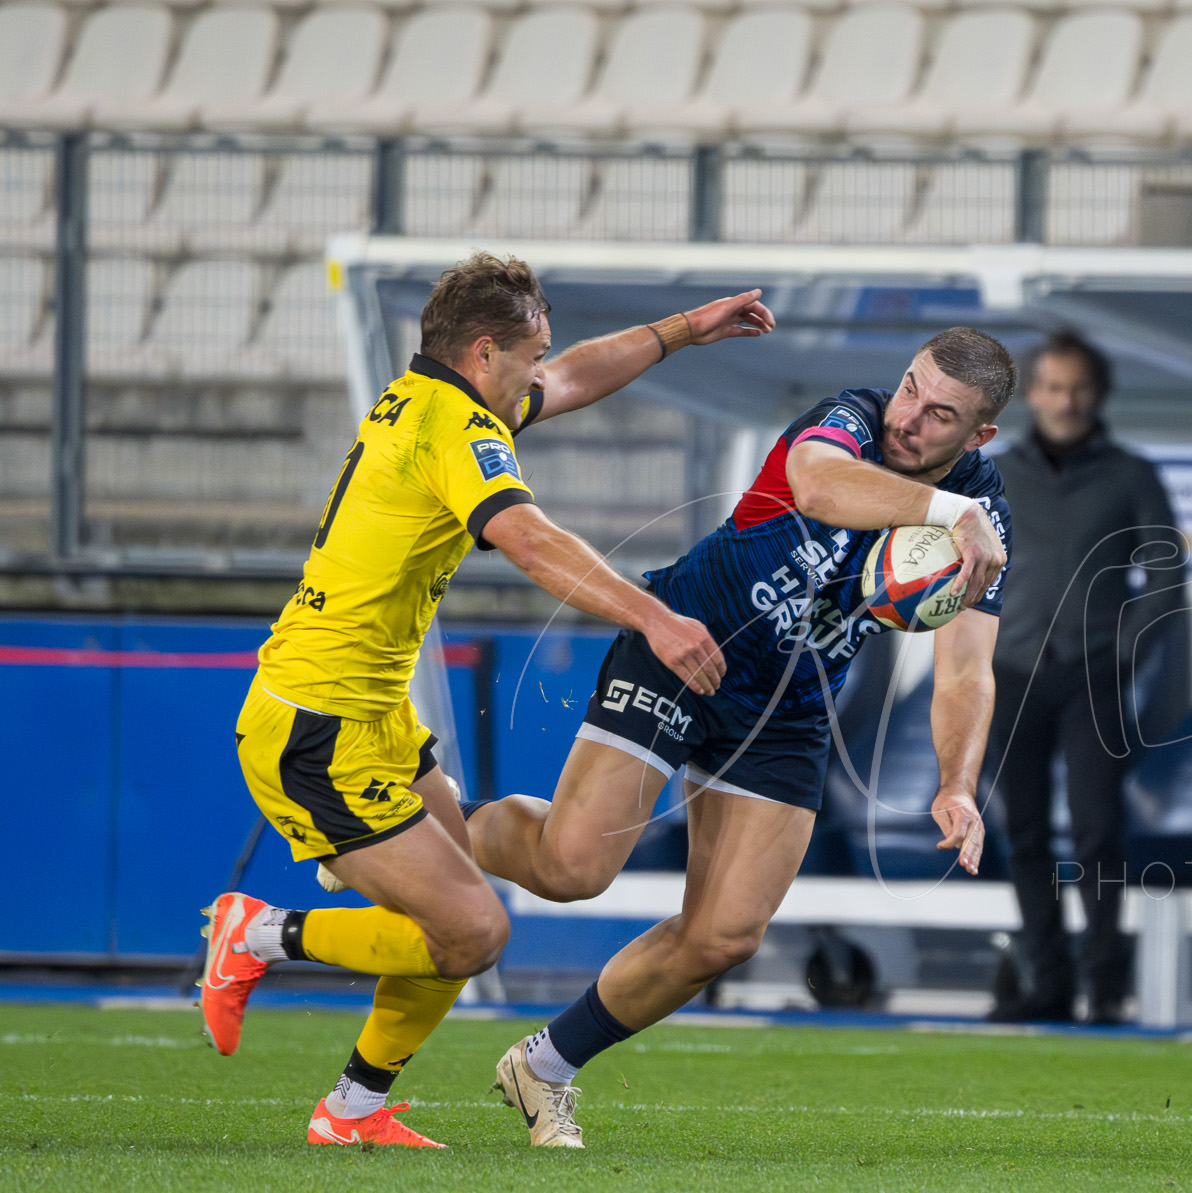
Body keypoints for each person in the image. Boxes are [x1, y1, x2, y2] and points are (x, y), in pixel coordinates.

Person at [196, 253, 773, 1146]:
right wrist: (655, 617)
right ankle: (258, 934)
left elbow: (573, 376)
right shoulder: (456, 432)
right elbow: (533, 543)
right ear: (481, 353)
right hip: (319, 723)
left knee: (453, 907)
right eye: (528, 356)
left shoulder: (431, 398)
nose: (540, 373)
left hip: (371, 713)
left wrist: (686, 330)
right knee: (474, 930)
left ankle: (350, 1110)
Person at [467, 327, 1014, 1148]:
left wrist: (956, 782)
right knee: (571, 867)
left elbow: (967, 668)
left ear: (979, 437)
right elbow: (818, 483)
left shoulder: (988, 515)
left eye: (941, 416)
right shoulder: (853, 422)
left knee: (725, 933)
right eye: (910, 388)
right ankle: (414, 821)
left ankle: (544, 1067)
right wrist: (951, 510)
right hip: (686, 641)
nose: (910, 418)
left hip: (789, 703)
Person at [986, 332, 1183, 1024]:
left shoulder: (1131, 475)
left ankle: (1104, 988)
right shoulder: (994, 475)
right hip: (1011, 674)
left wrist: (1121, 653)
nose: (1065, 400)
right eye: (1053, 386)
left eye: (1078, 388)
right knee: (1026, 833)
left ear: (1097, 395)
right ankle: (1048, 985)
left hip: (1094, 678)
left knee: (1099, 831)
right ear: (1032, 393)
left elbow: (1165, 579)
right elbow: (954, 572)